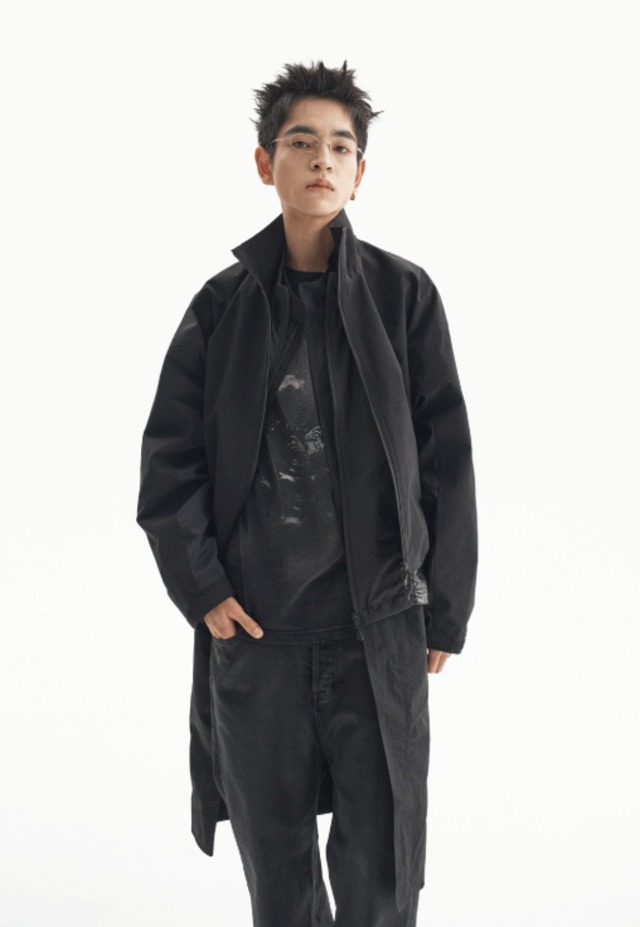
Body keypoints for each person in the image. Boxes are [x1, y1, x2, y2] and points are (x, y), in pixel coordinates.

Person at [136, 60, 478, 927]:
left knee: (380, 862)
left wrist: (445, 609)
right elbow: (171, 461)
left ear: (361, 172)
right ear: (266, 163)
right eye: (301, 143)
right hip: (259, 632)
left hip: (377, 627)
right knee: (276, 863)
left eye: (340, 146)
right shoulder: (221, 308)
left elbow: (447, 458)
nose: (322, 159)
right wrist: (204, 588)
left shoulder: (404, 297)